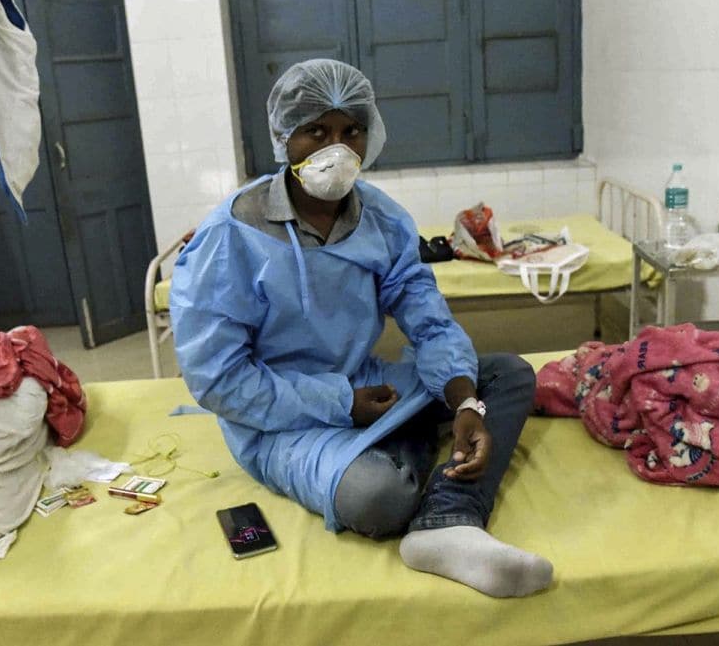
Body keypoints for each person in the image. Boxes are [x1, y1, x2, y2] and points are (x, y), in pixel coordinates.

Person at [170, 59, 553, 598]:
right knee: (377, 498)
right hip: (274, 417)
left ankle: (447, 521)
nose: (337, 148)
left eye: (352, 130)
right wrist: (341, 404)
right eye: (317, 131)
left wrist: (465, 404)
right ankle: (416, 460)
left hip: (364, 383)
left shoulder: (382, 219)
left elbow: (426, 313)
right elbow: (218, 382)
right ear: (285, 136)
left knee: (508, 375)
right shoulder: (231, 236)